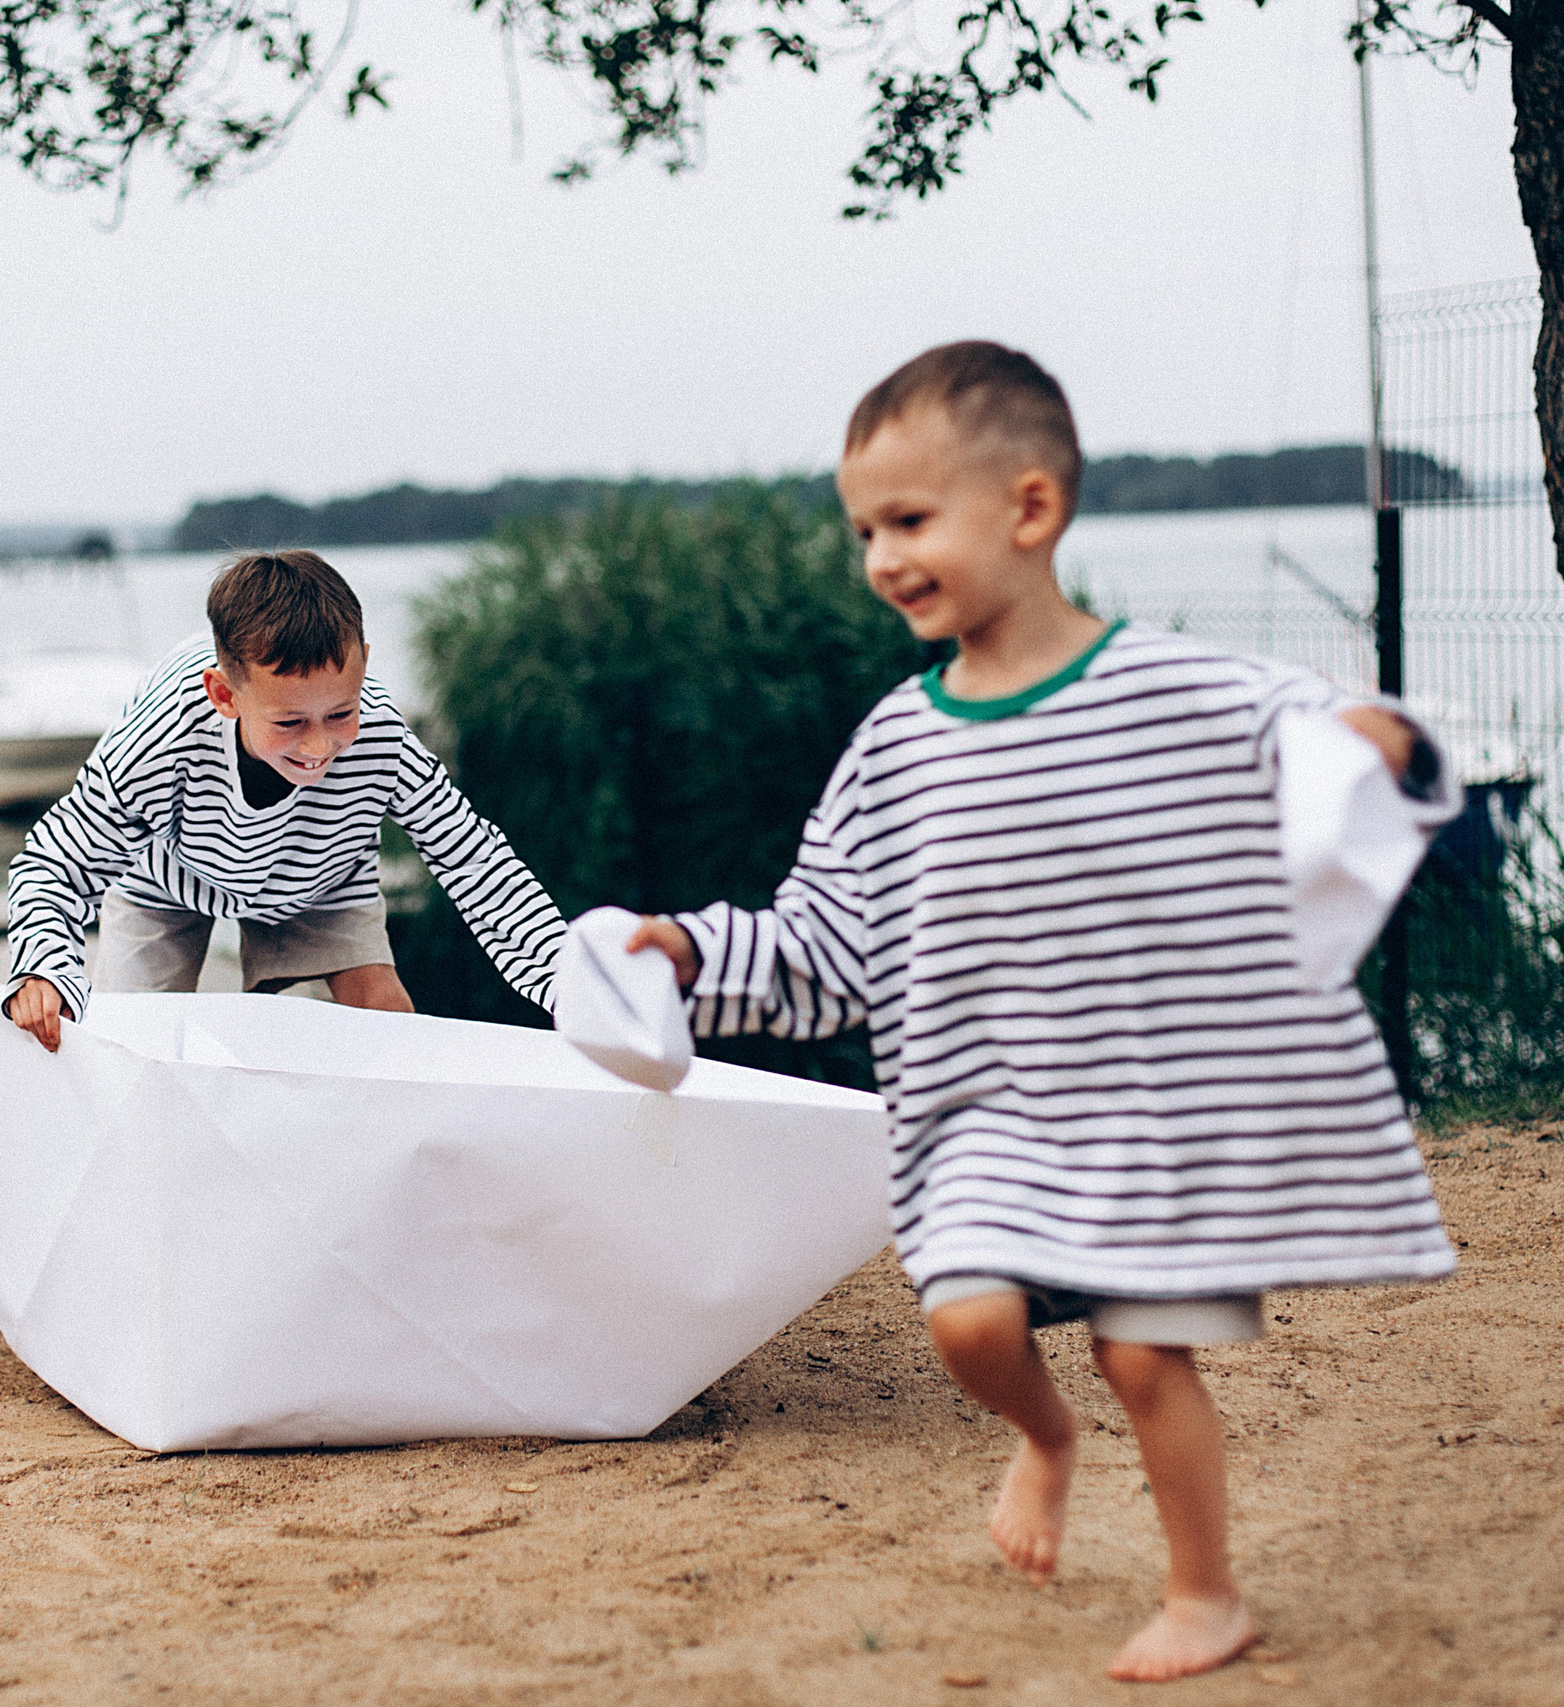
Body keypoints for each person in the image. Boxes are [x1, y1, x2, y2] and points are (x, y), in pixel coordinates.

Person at [621, 342, 1458, 1682]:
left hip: (1154, 1110)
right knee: (969, 1324)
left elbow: (1345, 736)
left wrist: (1384, 745)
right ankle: (1044, 1436)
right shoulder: (893, 749)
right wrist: (684, 950)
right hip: (984, 1117)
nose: (881, 557)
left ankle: (1205, 1594)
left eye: (908, 519)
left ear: (1028, 508)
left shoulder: (1177, 691)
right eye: (863, 531)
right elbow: (824, 942)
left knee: (1144, 1353)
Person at [2, 549, 562, 1049]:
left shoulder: (383, 737)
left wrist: (567, 983)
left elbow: (475, 861)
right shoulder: (162, 740)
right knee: (129, 1045)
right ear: (224, 695)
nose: (319, 746)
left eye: (339, 713)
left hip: (323, 872)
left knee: (388, 1023)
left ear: (363, 667)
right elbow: (54, 860)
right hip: (166, 880)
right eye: (290, 722)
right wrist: (42, 966)